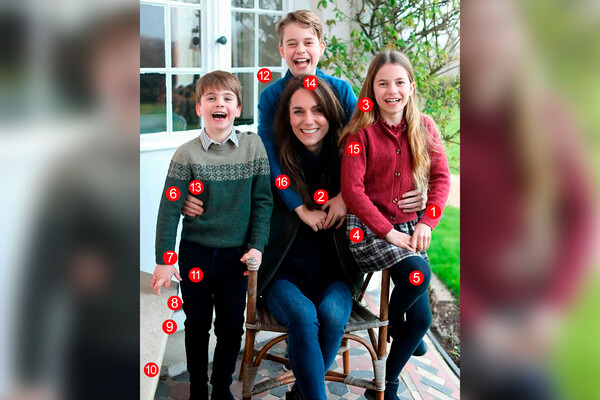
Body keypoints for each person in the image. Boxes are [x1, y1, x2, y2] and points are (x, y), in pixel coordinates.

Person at [152, 71, 273, 400]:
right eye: (211, 98)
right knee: (196, 324)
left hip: (237, 257)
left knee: (231, 326)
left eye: (227, 99)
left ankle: (221, 387)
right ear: (199, 108)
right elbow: (169, 208)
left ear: (238, 108)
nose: (219, 103)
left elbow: (263, 202)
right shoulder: (186, 154)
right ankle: (197, 389)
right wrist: (164, 259)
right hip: (196, 253)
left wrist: (257, 247)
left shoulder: (253, 147)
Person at [340, 51, 451, 400]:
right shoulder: (360, 134)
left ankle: (385, 386)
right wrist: (386, 231)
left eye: (400, 82)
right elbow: (352, 192)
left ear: (411, 87)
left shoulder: (425, 127)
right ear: (371, 89)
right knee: (419, 271)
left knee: (422, 322)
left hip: (407, 228)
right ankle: (396, 323)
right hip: (367, 230)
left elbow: (441, 178)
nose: (392, 91)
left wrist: (427, 222)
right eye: (383, 83)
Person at [256, 75, 358, 400]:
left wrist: (421, 196)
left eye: (317, 110)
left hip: (335, 277)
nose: (308, 120)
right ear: (287, 118)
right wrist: (192, 198)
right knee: (303, 316)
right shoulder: (274, 164)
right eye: (298, 111)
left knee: (331, 316)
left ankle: (300, 394)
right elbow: (235, 192)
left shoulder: (349, 164)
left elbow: (391, 178)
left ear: (331, 113)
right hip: (283, 277)